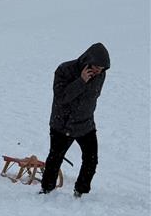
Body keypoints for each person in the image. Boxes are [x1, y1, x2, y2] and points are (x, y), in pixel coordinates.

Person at [40, 43, 110, 197]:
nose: (99, 71)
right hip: (62, 125)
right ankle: (46, 190)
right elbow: (61, 98)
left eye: (103, 69)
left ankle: (81, 192)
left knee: (91, 160)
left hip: (86, 124)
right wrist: (81, 81)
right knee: (55, 159)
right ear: (88, 60)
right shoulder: (65, 70)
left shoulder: (101, 75)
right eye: (97, 67)